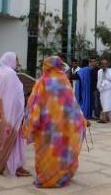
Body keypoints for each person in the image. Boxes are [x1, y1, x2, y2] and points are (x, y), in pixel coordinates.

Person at [23, 56, 87, 188]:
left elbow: (33, 104)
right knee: (61, 150)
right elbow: (73, 105)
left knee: (47, 151)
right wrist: (81, 120)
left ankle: (46, 176)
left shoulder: (42, 82)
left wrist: (31, 123)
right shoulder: (64, 81)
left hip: (45, 127)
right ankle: (61, 176)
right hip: (63, 127)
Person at [0, 52, 30, 176]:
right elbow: (17, 95)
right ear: (10, 60)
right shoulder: (11, 73)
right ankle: (16, 166)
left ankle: (2, 163)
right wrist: (21, 110)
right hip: (13, 115)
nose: (17, 62)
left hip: (2, 115)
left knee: (3, 139)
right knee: (15, 141)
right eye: (16, 60)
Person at [97, 59, 111, 123]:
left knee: (107, 103)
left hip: (108, 90)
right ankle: (107, 117)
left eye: (105, 64)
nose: (103, 65)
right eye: (102, 64)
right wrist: (99, 87)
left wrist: (107, 83)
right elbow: (99, 80)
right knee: (103, 103)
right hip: (102, 90)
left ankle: (103, 118)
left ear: (107, 64)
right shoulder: (99, 71)